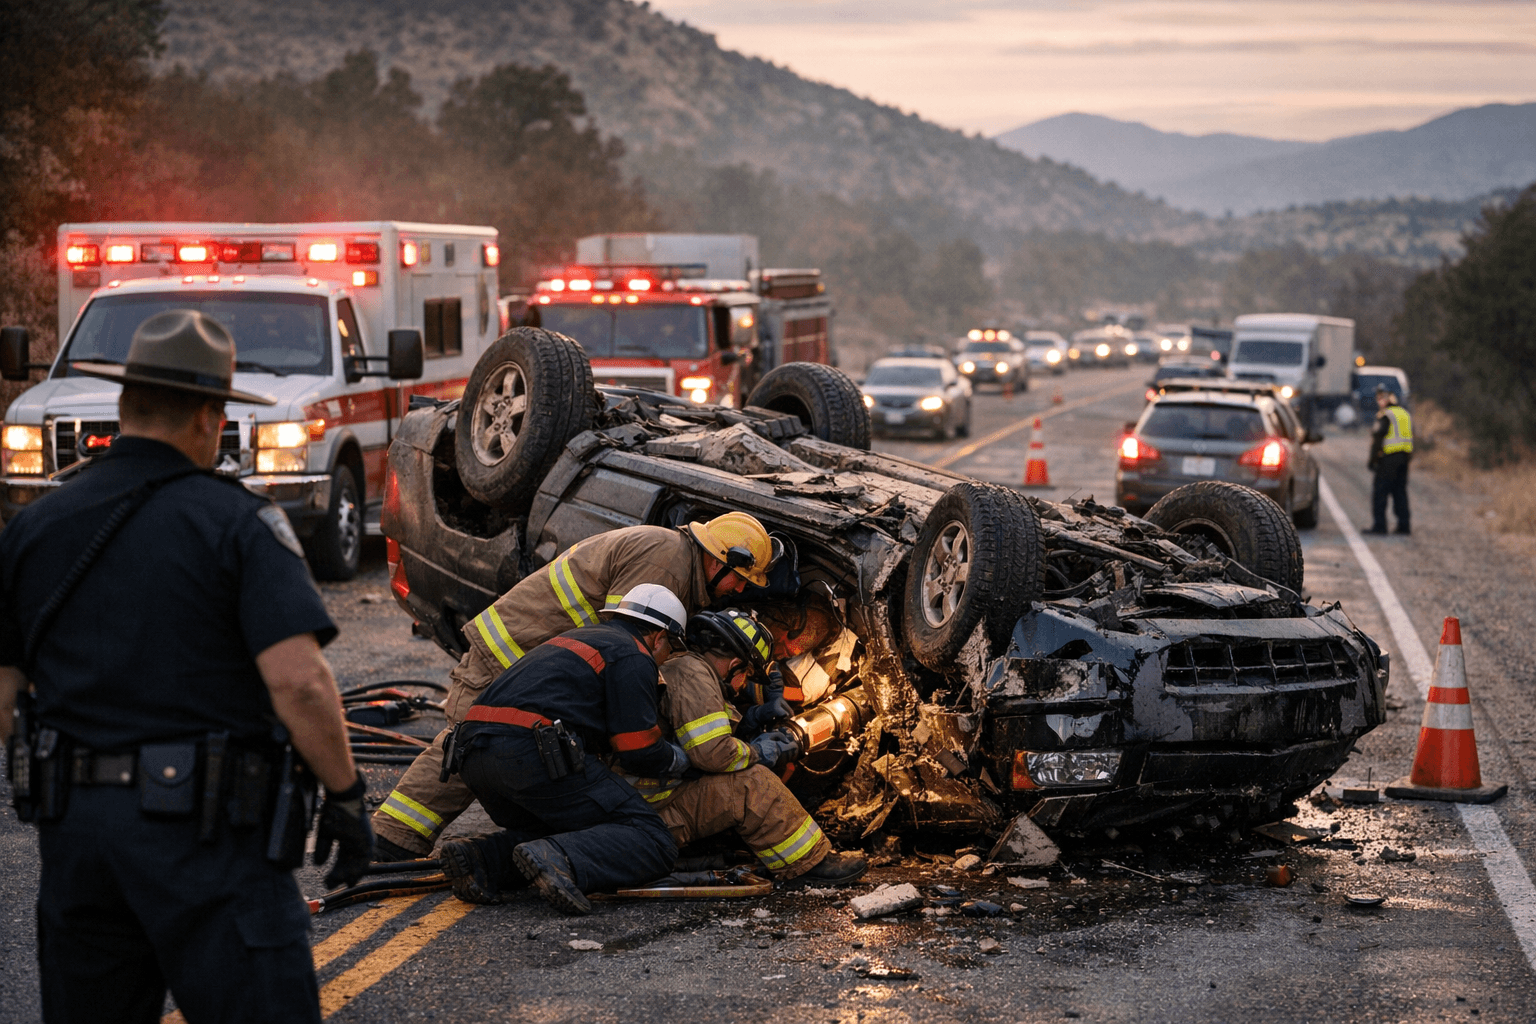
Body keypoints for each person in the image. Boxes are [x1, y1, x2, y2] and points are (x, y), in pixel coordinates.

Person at [0, 310, 372, 1024]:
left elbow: (6, 695)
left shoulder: (35, 526)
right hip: (210, 840)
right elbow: (299, 681)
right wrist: (347, 796)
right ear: (210, 416)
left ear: (123, 404)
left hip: (77, 835)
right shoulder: (238, 523)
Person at [372, 512, 777, 860]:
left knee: (484, 747)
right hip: (511, 655)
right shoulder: (668, 562)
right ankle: (392, 838)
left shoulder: (676, 560)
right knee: (467, 744)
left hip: (532, 659)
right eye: (740, 579)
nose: (739, 590)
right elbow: (630, 645)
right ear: (719, 559)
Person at [439, 610, 866, 904]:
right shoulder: (697, 673)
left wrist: (750, 717)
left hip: (560, 777)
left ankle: (483, 859)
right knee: (751, 786)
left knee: (555, 838)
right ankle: (812, 863)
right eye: (743, 679)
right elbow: (712, 751)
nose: (740, 688)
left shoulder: (670, 665)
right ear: (736, 664)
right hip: (641, 803)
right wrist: (760, 750)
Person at [440, 584, 693, 915]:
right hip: (526, 753)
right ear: (659, 637)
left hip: (472, 756)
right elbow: (638, 750)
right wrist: (683, 760)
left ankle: (480, 861)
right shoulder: (633, 654)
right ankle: (558, 859)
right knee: (651, 838)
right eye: (670, 650)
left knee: (567, 827)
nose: (665, 659)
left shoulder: (578, 639)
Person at [1366, 384, 1413, 535]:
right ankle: (1404, 526)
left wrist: (1373, 460)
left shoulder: (1385, 415)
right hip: (1404, 458)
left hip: (1388, 459)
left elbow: (1378, 439)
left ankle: (1380, 526)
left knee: (1380, 492)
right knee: (1400, 492)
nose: (1379, 400)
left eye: (1382, 397)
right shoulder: (1404, 414)